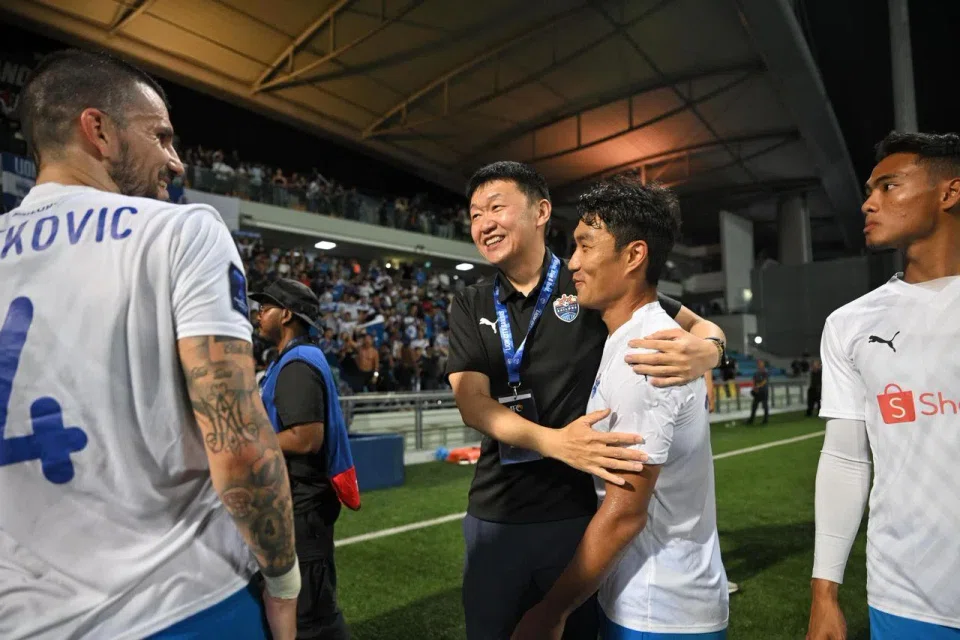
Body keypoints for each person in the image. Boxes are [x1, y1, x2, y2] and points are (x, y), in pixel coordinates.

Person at [0, 50, 298, 639]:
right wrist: (285, 583)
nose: (176, 161)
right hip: (181, 605)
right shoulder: (183, 231)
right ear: (99, 130)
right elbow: (238, 443)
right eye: (160, 136)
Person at [447, 161, 729, 639]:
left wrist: (709, 349)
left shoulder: (587, 283)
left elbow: (688, 321)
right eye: (474, 215)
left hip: (577, 513)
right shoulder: (472, 300)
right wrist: (554, 442)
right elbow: (472, 402)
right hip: (497, 510)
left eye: (496, 208)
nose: (483, 224)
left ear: (541, 212)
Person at [807, 131, 960, 640]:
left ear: (949, 192)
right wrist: (823, 592)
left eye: (889, 187)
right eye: (870, 190)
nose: (869, 202)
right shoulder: (849, 324)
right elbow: (847, 459)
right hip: (905, 596)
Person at [252, 279, 361, 640]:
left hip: (303, 509)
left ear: (286, 314)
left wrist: (248, 443)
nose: (257, 314)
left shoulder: (297, 365)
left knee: (313, 620)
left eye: (265, 308)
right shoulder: (293, 359)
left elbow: (305, 437)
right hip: (298, 505)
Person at [746, 359, 769, 425]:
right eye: (758, 363)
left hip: (763, 391)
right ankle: (751, 419)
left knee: (765, 406)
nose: (759, 365)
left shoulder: (765, 372)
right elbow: (754, 381)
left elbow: (764, 381)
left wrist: (758, 386)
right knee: (754, 406)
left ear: (763, 364)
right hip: (757, 391)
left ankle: (765, 420)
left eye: (760, 363)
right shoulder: (756, 373)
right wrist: (754, 388)